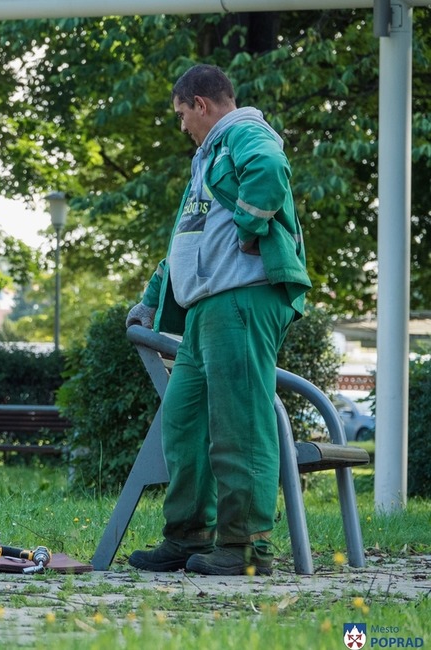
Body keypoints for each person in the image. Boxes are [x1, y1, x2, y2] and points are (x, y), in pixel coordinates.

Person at [125, 64, 311, 576]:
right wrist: (150, 299)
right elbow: (188, 240)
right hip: (207, 310)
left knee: (240, 426)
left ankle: (245, 547)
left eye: (182, 114)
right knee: (183, 424)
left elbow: (270, 169)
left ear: (200, 104)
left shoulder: (244, 133)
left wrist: (252, 223)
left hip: (242, 299)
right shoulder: (206, 159)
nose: (182, 125)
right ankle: (189, 535)